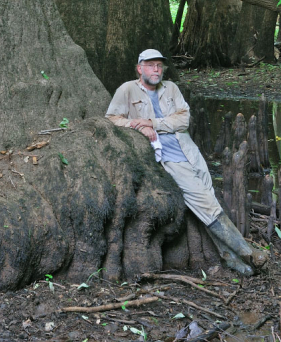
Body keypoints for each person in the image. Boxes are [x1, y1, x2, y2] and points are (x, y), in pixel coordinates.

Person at [105, 49, 267, 276]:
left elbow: (183, 119)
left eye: (159, 66)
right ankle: (247, 252)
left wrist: (151, 122)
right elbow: (111, 119)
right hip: (167, 158)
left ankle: (230, 258)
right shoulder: (127, 90)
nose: (156, 70)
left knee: (207, 200)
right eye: (151, 65)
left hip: (189, 151)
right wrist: (138, 126)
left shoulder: (171, 88)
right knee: (205, 203)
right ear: (139, 68)